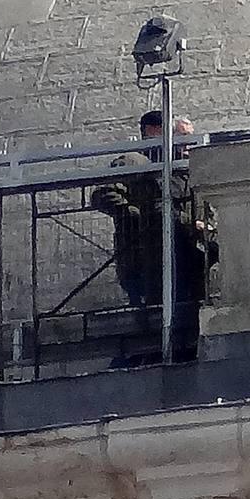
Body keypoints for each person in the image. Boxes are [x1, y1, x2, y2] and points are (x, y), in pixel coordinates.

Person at [90, 111, 217, 365]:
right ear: (157, 133)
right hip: (147, 258)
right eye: (183, 137)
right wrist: (138, 217)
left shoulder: (191, 173)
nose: (189, 144)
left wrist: (206, 229)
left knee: (188, 315)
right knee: (155, 319)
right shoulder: (137, 161)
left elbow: (206, 211)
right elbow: (103, 194)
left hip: (187, 257)